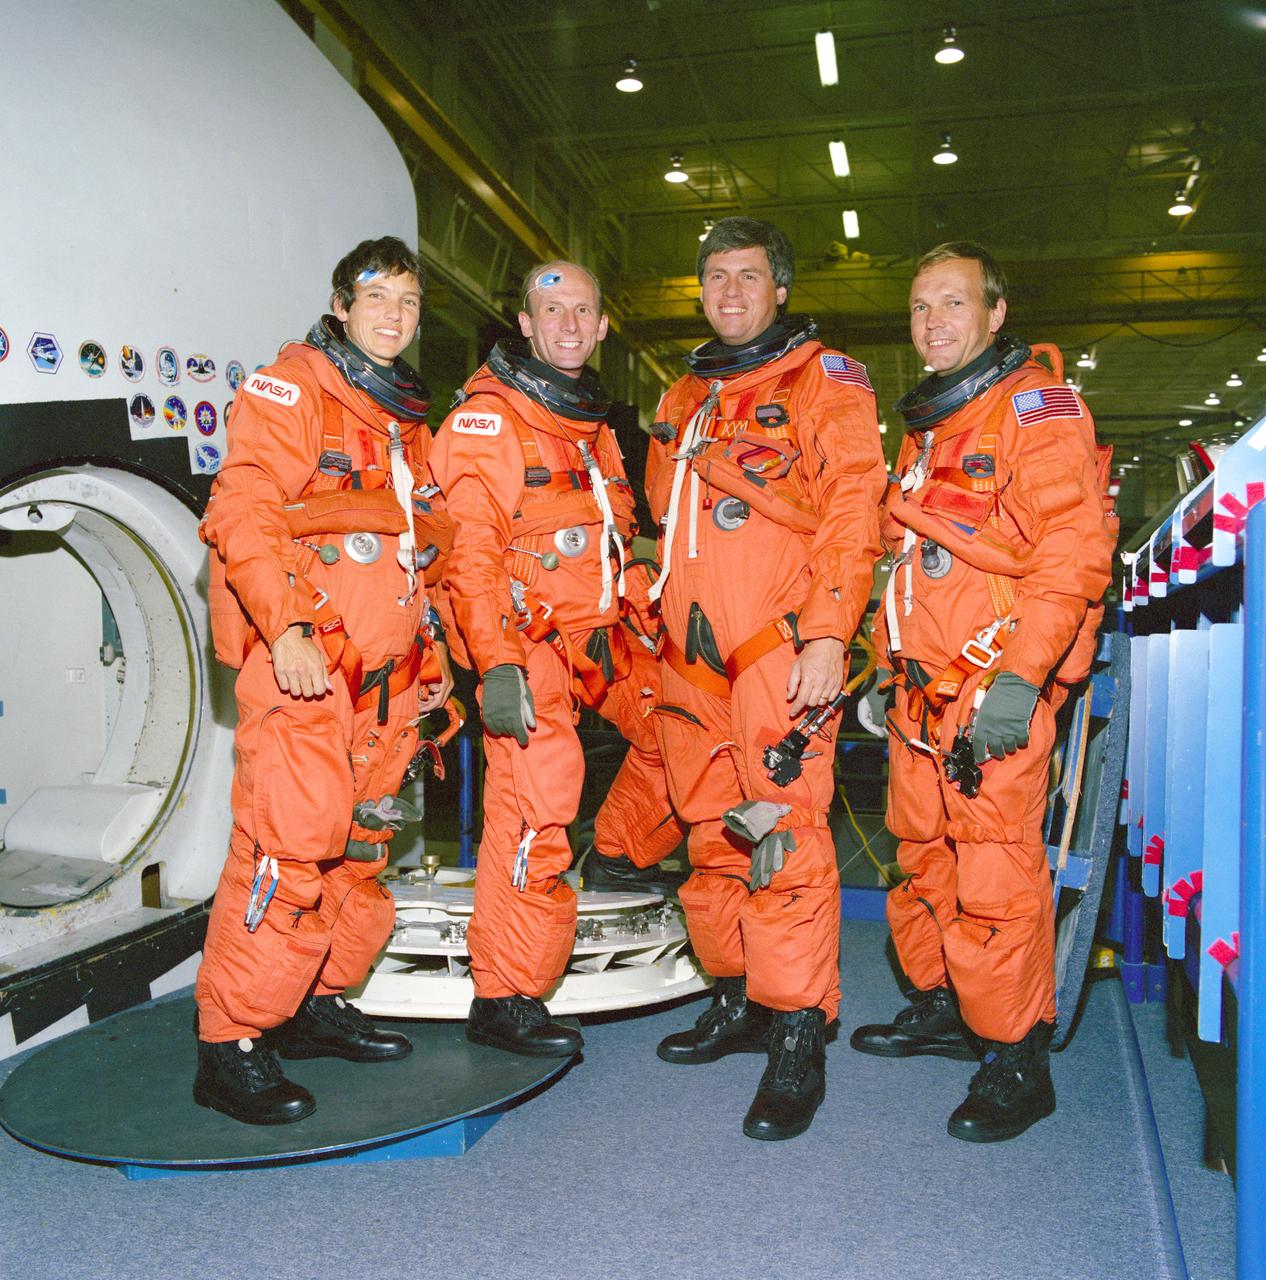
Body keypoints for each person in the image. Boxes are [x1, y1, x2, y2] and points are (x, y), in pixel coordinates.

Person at [852, 241, 1115, 1142]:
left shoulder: (1036, 411)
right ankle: (941, 1003)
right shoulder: (929, 429)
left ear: (996, 313)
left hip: (989, 691)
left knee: (998, 874)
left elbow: (1072, 554)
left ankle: (1015, 1057)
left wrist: (1020, 680)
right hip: (919, 696)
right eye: (921, 307)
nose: (934, 323)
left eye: (953, 304)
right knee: (924, 857)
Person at [193, 236, 454, 1125]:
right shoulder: (293, 384)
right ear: (341, 304)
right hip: (306, 665)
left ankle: (314, 1003)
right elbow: (245, 505)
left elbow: (420, 551)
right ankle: (231, 1044)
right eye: (378, 296)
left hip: (385, 678)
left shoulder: (402, 419)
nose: (395, 314)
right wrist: (290, 625)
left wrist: (435, 665)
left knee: (363, 845)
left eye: (410, 302)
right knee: (288, 844)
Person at [646, 216, 886, 1141]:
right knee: (710, 836)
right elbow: (663, 528)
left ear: (780, 288)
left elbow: (853, 510)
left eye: (749, 277)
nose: (732, 293)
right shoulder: (686, 394)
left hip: (775, 649)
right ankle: (742, 996)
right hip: (689, 656)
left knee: (783, 836)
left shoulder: (824, 381)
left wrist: (829, 633)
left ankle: (798, 1033)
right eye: (716, 277)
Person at [428, 261, 684, 1058]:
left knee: (683, 726)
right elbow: (470, 553)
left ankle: (619, 853)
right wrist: (498, 663)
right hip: (526, 641)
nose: (569, 325)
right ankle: (504, 994)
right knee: (538, 801)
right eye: (552, 311)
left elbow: (611, 539)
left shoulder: (592, 426)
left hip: (597, 633)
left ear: (603, 324)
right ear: (525, 325)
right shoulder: (488, 421)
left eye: (583, 310)